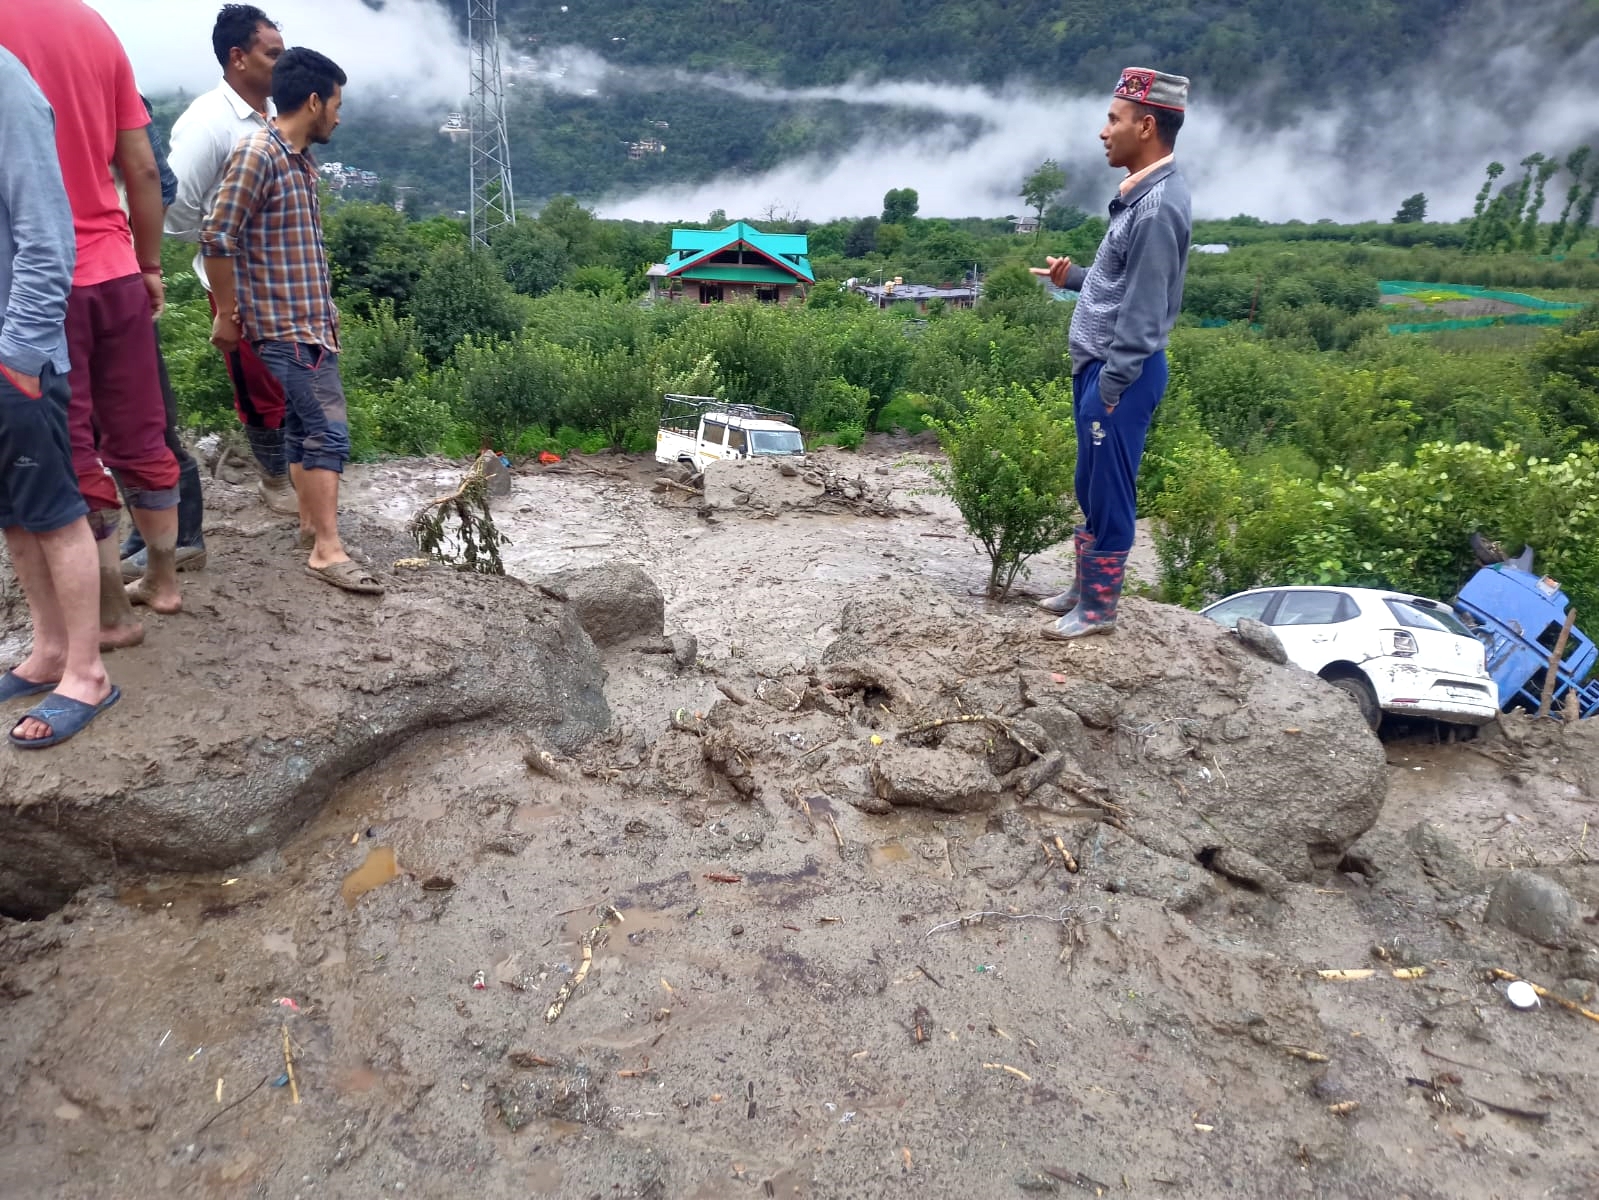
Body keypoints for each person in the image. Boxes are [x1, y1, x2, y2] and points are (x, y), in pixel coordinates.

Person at [0, 0, 184, 649]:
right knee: (142, 435)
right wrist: (151, 264)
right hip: (116, 269)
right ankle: (163, 582)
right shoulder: (93, 25)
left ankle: (109, 616)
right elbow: (141, 168)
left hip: (38, 283)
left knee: (75, 450)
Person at [203, 47, 383, 595]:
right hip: (284, 328)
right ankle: (329, 551)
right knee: (329, 433)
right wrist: (228, 313)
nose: (339, 115)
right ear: (313, 100)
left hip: (311, 326)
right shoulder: (259, 152)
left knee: (305, 430)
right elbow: (217, 235)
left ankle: (311, 528)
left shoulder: (298, 159)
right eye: (336, 103)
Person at [1031, 67, 1192, 639]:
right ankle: (1083, 589)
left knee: (1112, 489)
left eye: (1114, 120)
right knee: (1089, 482)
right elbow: (1122, 282)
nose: (1104, 131)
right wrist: (1073, 277)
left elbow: (1147, 310)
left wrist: (1112, 384)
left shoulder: (1156, 208)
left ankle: (1099, 610)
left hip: (1121, 373)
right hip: (1099, 367)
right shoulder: (1137, 197)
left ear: (1146, 126)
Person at [0, 47, 120, 747]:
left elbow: (47, 234)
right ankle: (47, 651)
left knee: (49, 510)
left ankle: (87, 672)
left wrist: (19, 355)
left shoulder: (8, 85)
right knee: (12, 515)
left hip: (18, 354)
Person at [166, 4, 295, 517]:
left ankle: (296, 470)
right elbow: (175, 214)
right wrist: (222, 243)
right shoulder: (208, 123)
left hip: (285, 278)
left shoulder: (275, 115)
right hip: (235, 284)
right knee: (259, 384)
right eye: (273, 54)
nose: (281, 66)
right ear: (238, 58)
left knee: (299, 376)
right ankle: (274, 479)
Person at [119, 95, 209, 581]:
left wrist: (139, 253)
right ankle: (145, 534)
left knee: (148, 416)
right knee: (119, 423)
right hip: (101, 275)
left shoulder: (118, 98)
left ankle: (183, 538)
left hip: (112, 275)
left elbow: (161, 182)